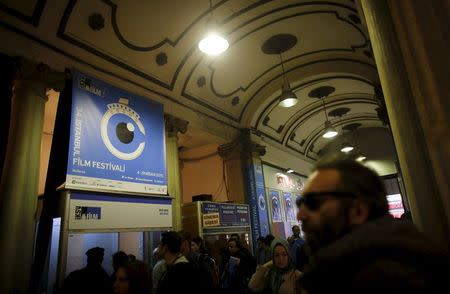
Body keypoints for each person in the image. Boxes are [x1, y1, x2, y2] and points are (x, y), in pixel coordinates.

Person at [295, 156, 450, 293]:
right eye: (300, 203)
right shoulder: (340, 271)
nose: (300, 215)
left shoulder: (387, 280)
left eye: (313, 202)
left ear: (358, 211)